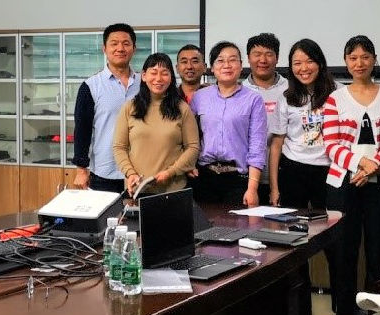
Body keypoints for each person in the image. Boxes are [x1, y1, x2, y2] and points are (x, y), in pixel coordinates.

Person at [322, 35, 380, 315]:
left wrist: (374, 166)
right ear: (346, 62)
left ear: (374, 60)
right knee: (344, 249)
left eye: (365, 57)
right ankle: (346, 311)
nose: (359, 63)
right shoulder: (335, 98)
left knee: (377, 250)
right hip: (342, 184)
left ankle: (373, 312)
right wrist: (360, 164)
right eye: (353, 58)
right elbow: (331, 144)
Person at [268, 39, 338, 315]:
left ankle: (341, 311)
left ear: (319, 63)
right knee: (295, 245)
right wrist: (275, 187)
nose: (303, 68)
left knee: (334, 242)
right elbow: (276, 144)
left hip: (328, 172)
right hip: (294, 171)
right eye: (297, 63)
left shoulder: (337, 94)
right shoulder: (286, 97)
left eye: (309, 61)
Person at [190, 41, 268, 206]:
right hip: (204, 177)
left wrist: (252, 188)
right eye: (220, 60)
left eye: (233, 60)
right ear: (212, 67)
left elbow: (257, 146)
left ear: (241, 65)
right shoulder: (199, 97)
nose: (227, 65)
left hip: (238, 180)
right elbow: (189, 136)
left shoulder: (253, 99)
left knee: (237, 223)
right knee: (203, 222)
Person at [112, 53, 200, 198]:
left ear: (171, 77)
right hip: (138, 188)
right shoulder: (129, 108)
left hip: (174, 189)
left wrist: (171, 172)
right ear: (144, 76)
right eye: (153, 73)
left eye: (164, 73)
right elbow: (119, 147)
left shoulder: (182, 108)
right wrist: (130, 173)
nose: (158, 79)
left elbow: (193, 147)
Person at [72, 23, 140, 193]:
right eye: (114, 43)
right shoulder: (91, 86)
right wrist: (81, 169)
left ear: (134, 48)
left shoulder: (145, 83)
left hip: (140, 170)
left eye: (126, 43)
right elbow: (82, 130)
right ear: (104, 48)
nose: (120, 48)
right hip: (105, 171)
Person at [243, 33, 288, 205]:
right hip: (248, 177)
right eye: (257, 54)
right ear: (248, 58)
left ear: (277, 58)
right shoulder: (240, 91)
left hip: (283, 175)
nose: (263, 60)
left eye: (269, 54)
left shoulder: (290, 89)